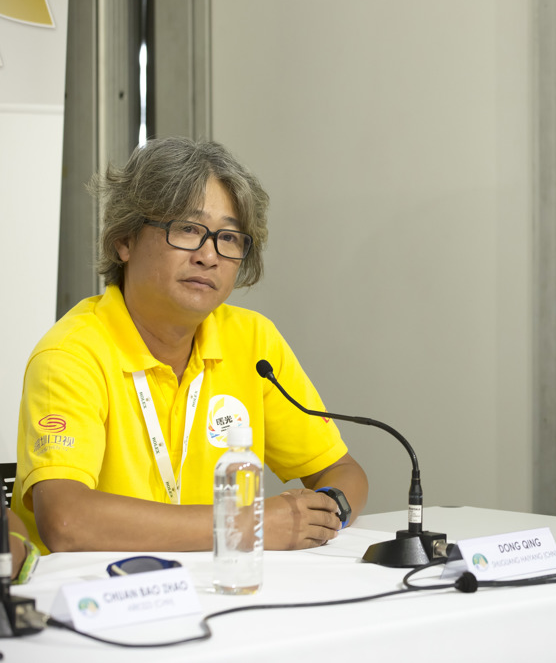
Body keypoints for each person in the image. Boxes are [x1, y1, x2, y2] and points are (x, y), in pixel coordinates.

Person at [12, 137, 369, 555]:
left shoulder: (253, 340)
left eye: (230, 238)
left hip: (221, 592)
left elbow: (342, 471)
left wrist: (324, 513)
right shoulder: (72, 354)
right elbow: (67, 521)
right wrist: (244, 526)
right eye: (188, 229)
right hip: (106, 602)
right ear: (124, 240)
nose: (209, 256)